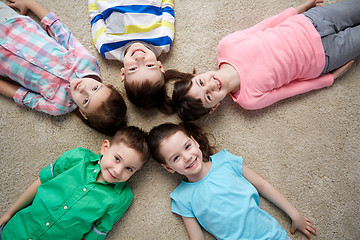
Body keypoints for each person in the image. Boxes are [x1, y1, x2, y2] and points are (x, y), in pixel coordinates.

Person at [167, 0, 360, 121]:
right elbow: (291, 90)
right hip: (325, 57)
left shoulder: (226, 46)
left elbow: (265, 25)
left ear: (196, 74)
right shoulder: (249, 100)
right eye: (208, 97)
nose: (211, 86)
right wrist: (330, 79)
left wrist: (298, 9)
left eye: (201, 82)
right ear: (214, 108)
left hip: (311, 21)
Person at [148, 122, 317, 240]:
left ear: (195, 142)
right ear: (169, 168)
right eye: (176, 158)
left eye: (187, 147)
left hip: (271, 235)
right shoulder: (182, 197)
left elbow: (262, 186)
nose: (187, 157)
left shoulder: (226, 161)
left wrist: (294, 215)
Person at [0, 0, 127, 135]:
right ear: (106, 85)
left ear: (83, 113)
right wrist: (30, 3)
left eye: (86, 100)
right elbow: (60, 31)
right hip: (12, 23)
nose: (83, 88)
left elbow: (22, 96)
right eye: (95, 88)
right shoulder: (87, 62)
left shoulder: (58, 106)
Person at [0, 126, 150, 239]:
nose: (118, 171)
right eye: (117, 158)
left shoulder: (122, 197)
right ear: (105, 147)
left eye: (129, 169)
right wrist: (9, 213)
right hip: (14, 231)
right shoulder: (77, 157)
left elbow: (98, 232)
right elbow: (41, 181)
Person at [88, 0, 175, 113]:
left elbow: (95, 17)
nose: (139, 59)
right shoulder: (164, 41)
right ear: (160, 66)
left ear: (123, 73)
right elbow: (168, 8)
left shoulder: (107, 48)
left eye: (133, 68)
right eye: (149, 65)